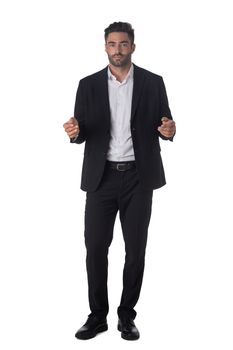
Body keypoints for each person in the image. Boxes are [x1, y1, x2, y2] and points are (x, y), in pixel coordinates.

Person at [63, 21, 176, 341]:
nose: (118, 50)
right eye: (112, 44)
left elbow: (165, 123)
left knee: (136, 250)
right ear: (105, 47)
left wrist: (169, 131)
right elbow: (82, 129)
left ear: (133, 47)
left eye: (124, 44)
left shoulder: (153, 83)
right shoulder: (87, 85)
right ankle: (97, 316)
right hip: (101, 179)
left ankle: (127, 315)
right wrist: (75, 133)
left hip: (140, 178)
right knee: (95, 248)